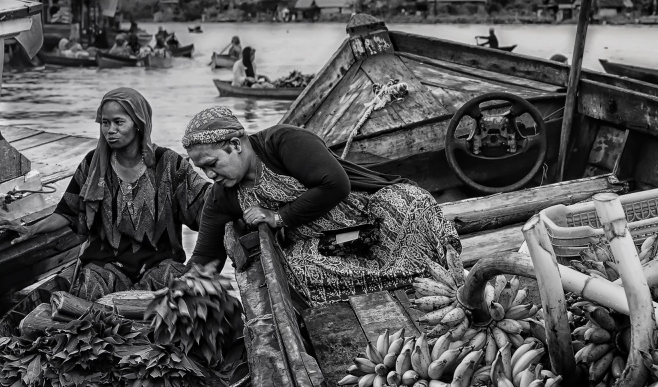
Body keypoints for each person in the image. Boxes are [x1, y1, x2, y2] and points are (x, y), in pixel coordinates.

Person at [181, 107, 460, 305]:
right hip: (335, 241)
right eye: (202, 169)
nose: (210, 175)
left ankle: (432, 274)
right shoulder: (222, 195)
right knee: (300, 270)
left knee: (411, 205)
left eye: (212, 164)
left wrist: (278, 217)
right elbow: (207, 255)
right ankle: (412, 278)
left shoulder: (282, 142)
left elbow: (335, 184)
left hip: (371, 216)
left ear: (234, 144)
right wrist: (181, 288)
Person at [0, 88, 210, 301]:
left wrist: (235, 195)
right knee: (88, 290)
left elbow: (206, 203)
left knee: (177, 289)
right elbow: (68, 211)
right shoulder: (93, 163)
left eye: (118, 122)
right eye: (105, 123)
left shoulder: (169, 163)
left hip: (159, 262)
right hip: (107, 263)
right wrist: (31, 229)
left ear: (138, 123)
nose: (110, 130)